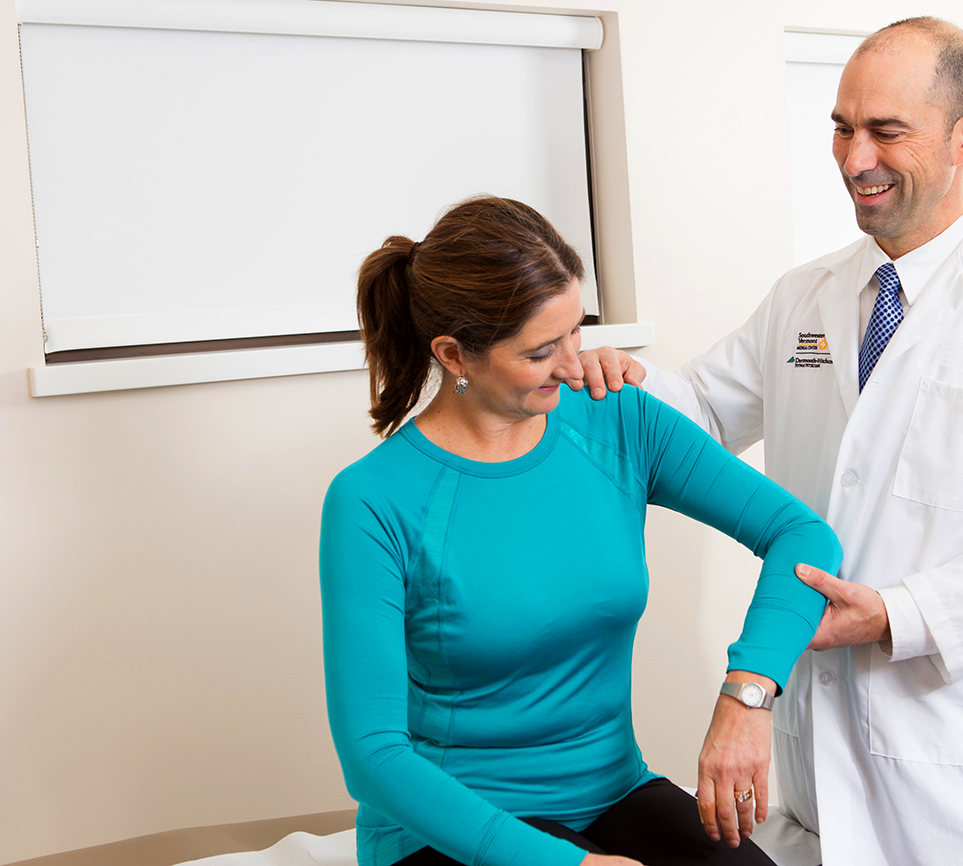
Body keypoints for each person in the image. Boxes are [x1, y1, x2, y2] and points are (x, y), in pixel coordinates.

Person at [578, 18, 963, 865]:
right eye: (842, 128)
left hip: (962, 750)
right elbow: (697, 413)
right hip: (818, 737)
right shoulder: (806, 297)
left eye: (886, 131)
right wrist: (616, 377)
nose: (853, 159)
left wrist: (897, 615)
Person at [319, 196, 843, 866]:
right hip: (447, 823)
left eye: (577, 332)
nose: (575, 365)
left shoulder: (617, 420)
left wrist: (749, 690)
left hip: (611, 792)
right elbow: (373, 757)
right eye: (542, 351)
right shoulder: (373, 501)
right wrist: (567, 865)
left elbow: (803, 536)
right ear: (455, 355)